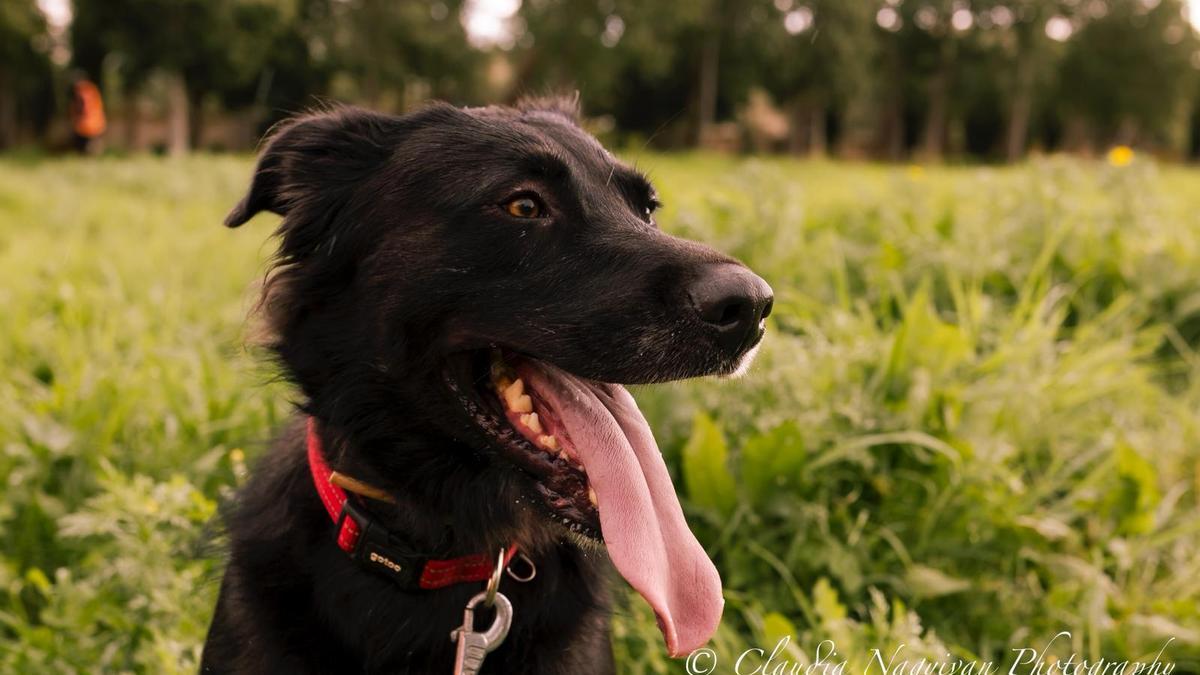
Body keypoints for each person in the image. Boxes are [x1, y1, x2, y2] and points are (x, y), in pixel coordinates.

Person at [69, 72, 106, 154]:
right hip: (97, 123)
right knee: (92, 145)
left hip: (87, 124)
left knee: (84, 146)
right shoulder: (92, 88)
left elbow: (83, 107)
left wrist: (75, 117)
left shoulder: (83, 92)